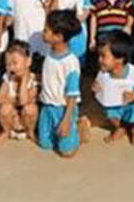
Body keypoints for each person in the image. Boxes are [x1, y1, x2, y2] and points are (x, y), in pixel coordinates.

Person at [37, 9, 89, 157]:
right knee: (45, 144)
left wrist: (66, 120)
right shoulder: (49, 54)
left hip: (64, 110)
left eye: (46, 30)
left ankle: (79, 126)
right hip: (47, 107)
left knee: (67, 152)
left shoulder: (70, 63)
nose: (43, 32)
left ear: (58, 37)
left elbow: (72, 95)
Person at [92, 30, 134, 144]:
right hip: (113, 107)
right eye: (99, 56)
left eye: (103, 56)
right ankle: (120, 128)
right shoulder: (103, 73)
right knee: (109, 111)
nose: (99, 60)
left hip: (130, 107)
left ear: (119, 59)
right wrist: (95, 88)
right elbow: (97, 88)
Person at [0, 40, 38, 143]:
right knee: (4, 108)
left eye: (15, 63)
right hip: (12, 120)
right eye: (8, 65)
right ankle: (6, 131)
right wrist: (9, 102)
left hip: (24, 121)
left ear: (28, 62)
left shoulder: (32, 80)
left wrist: (23, 80)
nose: (11, 68)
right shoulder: (8, 78)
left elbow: (24, 101)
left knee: (30, 109)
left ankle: (30, 132)